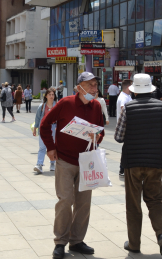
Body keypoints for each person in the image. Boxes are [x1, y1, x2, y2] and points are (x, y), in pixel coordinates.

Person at [39, 72, 105, 259]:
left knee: (84, 203)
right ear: (79, 87)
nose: (94, 88)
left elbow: (100, 132)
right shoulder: (65, 103)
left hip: (87, 161)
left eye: (95, 84)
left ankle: (76, 241)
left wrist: (97, 137)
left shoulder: (96, 106)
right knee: (65, 200)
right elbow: (45, 125)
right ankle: (60, 241)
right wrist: (51, 148)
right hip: (65, 160)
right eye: (90, 85)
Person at [114, 73, 162, 256]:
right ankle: (161, 235)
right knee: (155, 201)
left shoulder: (128, 108)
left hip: (133, 163)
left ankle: (134, 244)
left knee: (133, 204)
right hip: (155, 163)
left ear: (134, 91)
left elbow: (118, 137)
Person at [33, 88, 57, 174]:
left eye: (53, 95)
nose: (51, 96)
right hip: (44, 129)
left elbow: (60, 118)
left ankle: (52, 163)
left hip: (54, 128)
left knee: (53, 146)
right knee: (42, 147)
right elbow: (38, 118)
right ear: (46, 96)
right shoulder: (42, 106)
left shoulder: (56, 106)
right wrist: (35, 128)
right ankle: (39, 164)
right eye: (49, 94)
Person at [116, 79, 133, 177]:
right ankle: (122, 168)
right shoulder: (123, 97)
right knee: (126, 148)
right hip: (126, 126)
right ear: (128, 87)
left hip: (127, 125)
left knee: (127, 148)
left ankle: (124, 168)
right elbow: (123, 108)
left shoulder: (127, 96)